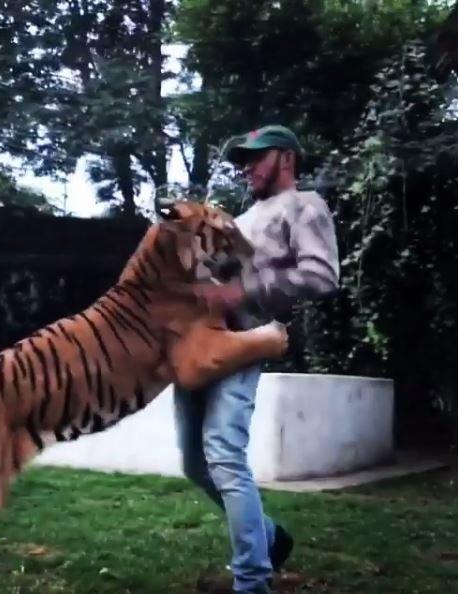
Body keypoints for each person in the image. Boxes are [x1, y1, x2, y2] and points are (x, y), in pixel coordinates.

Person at [174, 124, 340, 594]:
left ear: (285, 158)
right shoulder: (245, 216)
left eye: (255, 157)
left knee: (224, 454)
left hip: (244, 340)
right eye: (242, 159)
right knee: (194, 464)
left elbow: (322, 276)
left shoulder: (305, 205)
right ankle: (270, 539)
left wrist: (240, 291)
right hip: (197, 343)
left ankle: (252, 581)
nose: (245, 166)